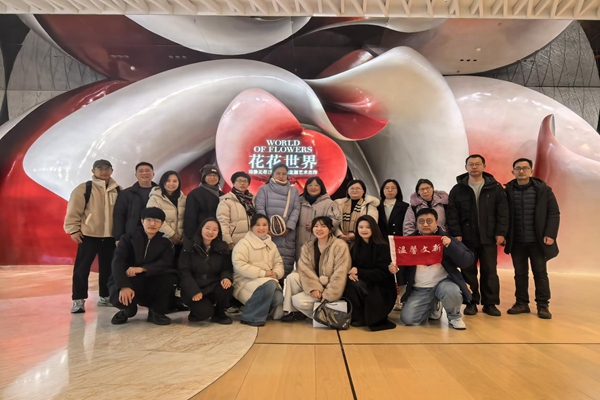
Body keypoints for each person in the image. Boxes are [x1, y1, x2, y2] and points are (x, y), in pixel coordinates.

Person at [390, 208, 475, 330]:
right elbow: (401, 265)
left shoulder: (446, 239)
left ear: (437, 222)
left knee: (451, 291)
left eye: (429, 221)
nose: (425, 224)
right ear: (416, 224)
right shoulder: (409, 242)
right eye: (421, 221)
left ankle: (454, 316)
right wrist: (394, 268)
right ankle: (434, 306)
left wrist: (450, 245)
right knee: (408, 319)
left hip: (443, 283)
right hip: (420, 288)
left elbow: (468, 260)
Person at [447, 154, 509, 317]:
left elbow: (503, 212)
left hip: (489, 237)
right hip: (466, 238)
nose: (474, 167)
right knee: (468, 270)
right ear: (466, 167)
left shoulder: (495, 188)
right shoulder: (458, 189)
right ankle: (471, 302)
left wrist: (501, 232)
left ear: (484, 166)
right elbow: (452, 213)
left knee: (490, 271)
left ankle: (490, 304)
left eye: (477, 164)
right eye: (471, 164)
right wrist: (456, 233)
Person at [504, 158, 560, 319]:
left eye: (525, 168)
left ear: (531, 171)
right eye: (518, 168)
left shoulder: (543, 190)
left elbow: (554, 213)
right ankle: (521, 303)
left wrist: (550, 234)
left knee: (540, 273)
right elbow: (502, 215)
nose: (521, 171)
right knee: (520, 273)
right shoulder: (507, 191)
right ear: (513, 171)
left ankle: (543, 305)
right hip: (517, 241)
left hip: (538, 241)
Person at [64, 159, 121, 313]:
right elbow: (73, 210)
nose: (104, 171)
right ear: (93, 171)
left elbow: (121, 214)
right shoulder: (84, 188)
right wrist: (73, 229)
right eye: (100, 168)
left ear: (112, 170)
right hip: (88, 235)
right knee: (82, 269)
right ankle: (78, 300)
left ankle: (105, 297)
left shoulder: (118, 189)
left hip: (110, 237)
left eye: (107, 168)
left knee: (108, 268)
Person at [108, 207, 178, 326]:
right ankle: (127, 311)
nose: (152, 224)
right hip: (129, 279)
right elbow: (118, 262)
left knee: (169, 276)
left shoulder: (165, 243)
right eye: (149, 220)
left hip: (149, 278)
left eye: (157, 221)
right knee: (125, 304)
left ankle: (155, 312)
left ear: (162, 224)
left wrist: (143, 269)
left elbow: (165, 262)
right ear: (142, 221)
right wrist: (124, 286)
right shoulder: (128, 238)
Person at [281, 216, 351, 322]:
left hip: (331, 289)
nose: (319, 229)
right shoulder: (308, 246)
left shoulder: (340, 245)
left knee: (297, 301)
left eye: (323, 226)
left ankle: (321, 315)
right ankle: (295, 312)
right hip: (316, 288)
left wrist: (329, 294)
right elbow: (304, 269)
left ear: (330, 229)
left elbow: (340, 273)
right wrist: (314, 287)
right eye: (316, 226)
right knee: (292, 277)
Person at [344, 215, 397, 330]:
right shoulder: (355, 246)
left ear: (374, 228)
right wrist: (352, 273)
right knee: (349, 283)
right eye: (361, 227)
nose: (364, 230)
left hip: (381, 286)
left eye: (368, 227)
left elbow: (382, 273)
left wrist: (359, 271)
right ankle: (358, 317)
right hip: (365, 281)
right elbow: (352, 266)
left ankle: (373, 317)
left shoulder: (383, 246)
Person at [232, 214, 285, 326]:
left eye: (264, 225)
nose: (261, 228)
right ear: (251, 227)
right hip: (245, 280)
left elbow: (278, 263)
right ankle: (251, 317)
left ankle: (258, 311)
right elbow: (239, 265)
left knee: (278, 298)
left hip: (266, 281)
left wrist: (276, 273)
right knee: (270, 284)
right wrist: (263, 273)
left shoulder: (272, 245)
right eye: (258, 225)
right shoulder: (244, 244)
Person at [179, 218, 234, 324]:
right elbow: (184, 272)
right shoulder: (189, 246)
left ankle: (219, 313)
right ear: (201, 229)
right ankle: (196, 312)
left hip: (212, 285)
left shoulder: (222, 247)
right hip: (195, 286)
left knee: (227, 287)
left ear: (218, 232)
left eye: (215, 229)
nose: (210, 232)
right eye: (207, 228)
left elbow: (226, 268)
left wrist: (226, 277)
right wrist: (194, 291)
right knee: (204, 313)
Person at [255, 163, 301, 277]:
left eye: (284, 174)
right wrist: (266, 229)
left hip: (287, 233)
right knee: (266, 265)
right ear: (272, 174)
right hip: (267, 233)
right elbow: (260, 209)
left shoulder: (293, 191)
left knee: (284, 264)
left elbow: (296, 209)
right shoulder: (264, 189)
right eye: (278, 173)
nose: (281, 176)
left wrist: (288, 227)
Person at [295, 177, 341, 259]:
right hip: (300, 244)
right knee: (302, 264)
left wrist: (318, 225)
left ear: (321, 187)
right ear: (306, 187)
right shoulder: (298, 202)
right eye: (310, 185)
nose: (313, 187)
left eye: (316, 185)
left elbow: (335, 220)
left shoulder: (329, 203)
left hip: (321, 244)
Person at [113, 162, 156, 243]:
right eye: (141, 171)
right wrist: (118, 237)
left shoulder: (160, 192)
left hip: (156, 235)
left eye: (147, 171)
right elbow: (119, 216)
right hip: (132, 236)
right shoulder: (125, 194)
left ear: (153, 174)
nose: (144, 173)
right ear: (136, 175)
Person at [147, 170, 186, 250]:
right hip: (162, 240)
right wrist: (171, 235)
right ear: (162, 182)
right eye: (168, 181)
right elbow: (154, 219)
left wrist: (184, 236)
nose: (171, 183)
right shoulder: (155, 199)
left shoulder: (184, 199)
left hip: (181, 242)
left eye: (175, 181)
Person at [217, 171, 256, 250]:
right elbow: (223, 223)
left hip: (251, 240)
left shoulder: (253, 199)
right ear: (233, 183)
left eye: (245, 181)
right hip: (235, 241)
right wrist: (227, 241)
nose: (242, 183)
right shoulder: (227, 200)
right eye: (239, 181)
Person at [184, 164, 224, 239]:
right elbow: (190, 217)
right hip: (200, 234)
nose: (212, 177)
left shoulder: (223, 195)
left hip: (218, 234)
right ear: (203, 177)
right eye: (209, 175)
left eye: (215, 175)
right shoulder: (195, 194)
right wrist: (190, 236)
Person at [334, 179, 380, 243]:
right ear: (348, 191)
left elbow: (373, 222)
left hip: (362, 240)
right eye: (352, 188)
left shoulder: (369, 204)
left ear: (363, 191)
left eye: (358, 188)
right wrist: (339, 234)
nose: (354, 190)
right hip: (341, 240)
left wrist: (356, 234)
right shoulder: (339, 204)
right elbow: (334, 221)